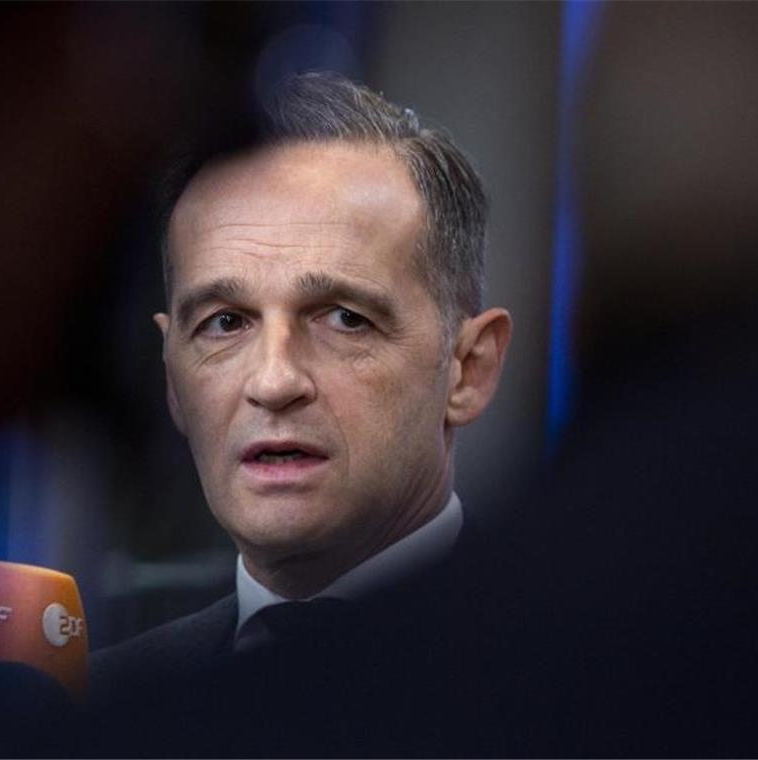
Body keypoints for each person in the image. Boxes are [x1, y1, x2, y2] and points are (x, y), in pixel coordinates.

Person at [85, 73, 513, 754]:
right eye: (225, 323)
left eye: (345, 318)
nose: (274, 379)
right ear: (172, 378)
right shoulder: (94, 714)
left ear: (468, 368)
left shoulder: (614, 688)